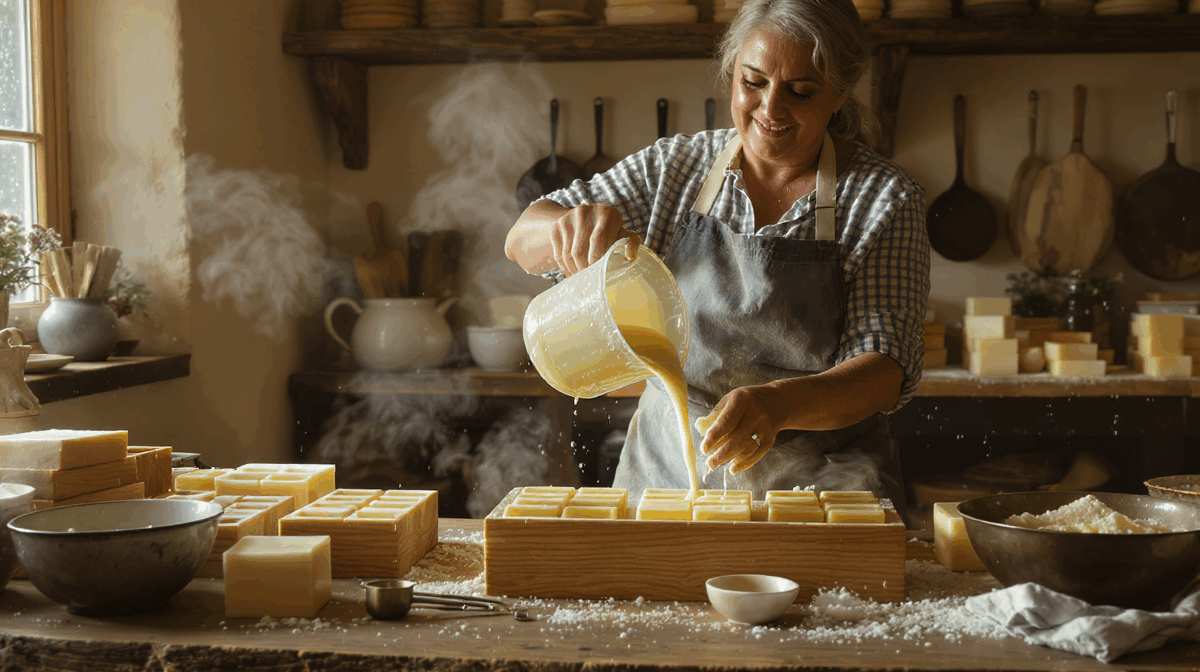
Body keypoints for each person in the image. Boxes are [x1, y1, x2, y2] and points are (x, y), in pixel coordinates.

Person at [504, 0, 930, 518]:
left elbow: (883, 371)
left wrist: (779, 404)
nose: (771, 109)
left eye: (800, 91)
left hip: (823, 488)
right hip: (667, 480)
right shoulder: (674, 169)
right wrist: (563, 227)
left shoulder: (884, 198)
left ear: (839, 93)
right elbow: (522, 239)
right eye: (753, 83)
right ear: (731, 75)